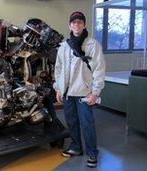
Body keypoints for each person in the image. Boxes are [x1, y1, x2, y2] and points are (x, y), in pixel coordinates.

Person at [53, 11, 105, 168]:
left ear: (84, 25)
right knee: (72, 122)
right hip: (68, 93)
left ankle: (92, 153)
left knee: (87, 123)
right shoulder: (64, 46)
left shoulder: (92, 45)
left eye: (80, 22)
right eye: (74, 22)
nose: (76, 25)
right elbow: (59, 69)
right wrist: (58, 88)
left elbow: (99, 70)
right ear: (70, 25)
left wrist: (95, 92)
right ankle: (76, 147)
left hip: (84, 93)